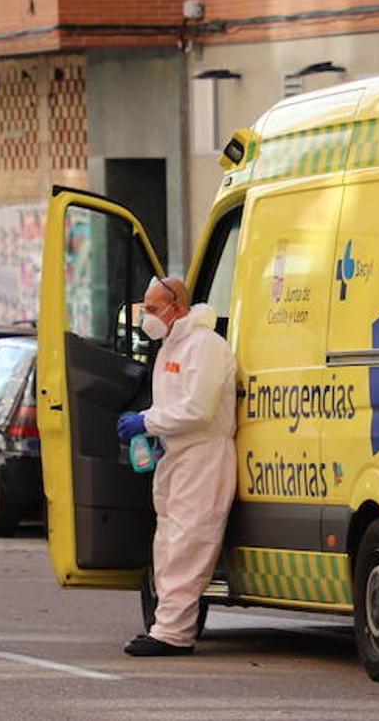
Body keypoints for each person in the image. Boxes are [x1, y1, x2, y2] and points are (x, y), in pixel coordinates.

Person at [116, 276, 237, 657]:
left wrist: (147, 422)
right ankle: (166, 626)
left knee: (188, 542)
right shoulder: (174, 345)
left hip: (202, 455)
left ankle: (174, 632)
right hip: (176, 454)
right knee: (169, 542)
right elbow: (176, 404)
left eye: (153, 309)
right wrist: (149, 423)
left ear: (177, 307)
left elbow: (198, 410)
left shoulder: (204, 347)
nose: (147, 317)